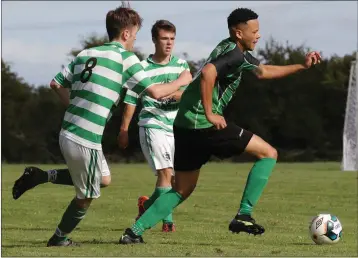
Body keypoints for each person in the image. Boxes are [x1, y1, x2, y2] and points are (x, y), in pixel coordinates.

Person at [118, 7, 322, 244]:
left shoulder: (237, 52)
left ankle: (133, 233)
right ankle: (243, 214)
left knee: (182, 189)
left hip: (184, 124)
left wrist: (302, 66)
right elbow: (207, 73)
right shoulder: (234, 54)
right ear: (238, 33)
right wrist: (210, 113)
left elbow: (263, 71)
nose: (258, 35)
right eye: (254, 31)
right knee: (268, 153)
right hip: (202, 123)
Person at [11, 5, 191, 247]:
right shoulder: (126, 59)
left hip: (70, 131)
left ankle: (43, 176)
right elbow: (156, 92)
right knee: (85, 197)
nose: (135, 39)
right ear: (126, 33)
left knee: (103, 179)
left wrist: (74, 106)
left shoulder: (85, 54)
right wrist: (184, 79)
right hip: (85, 137)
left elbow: (55, 83)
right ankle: (59, 239)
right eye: (135, 34)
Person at [118, 20, 191, 233]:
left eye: (172, 39)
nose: (169, 43)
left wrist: (166, 92)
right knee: (166, 174)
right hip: (152, 123)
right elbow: (131, 100)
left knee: (175, 179)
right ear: (154, 40)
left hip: (176, 127)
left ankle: (147, 206)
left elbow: (187, 94)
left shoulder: (182, 66)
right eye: (164, 39)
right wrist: (123, 130)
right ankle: (167, 221)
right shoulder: (141, 68)